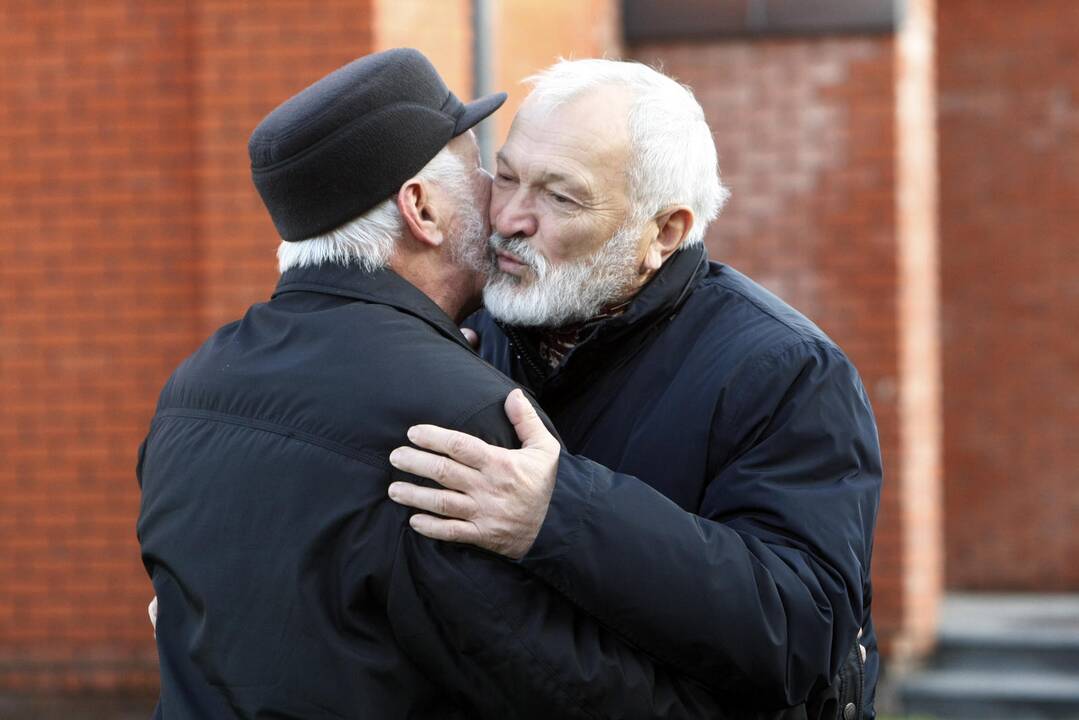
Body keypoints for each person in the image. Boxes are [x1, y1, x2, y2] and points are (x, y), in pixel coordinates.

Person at [136, 49, 725, 719]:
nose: (499, 205)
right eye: (480, 170)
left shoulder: (195, 384)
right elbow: (561, 686)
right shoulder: (455, 413)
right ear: (420, 207)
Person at [386, 59, 883, 720]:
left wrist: (555, 516)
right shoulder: (470, 329)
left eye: (559, 197)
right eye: (504, 176)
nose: (507, 217)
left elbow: (801, 634)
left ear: (665, 233)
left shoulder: (784, 370)